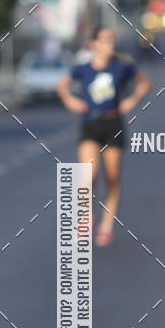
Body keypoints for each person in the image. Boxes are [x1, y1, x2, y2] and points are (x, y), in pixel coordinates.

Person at [57, 26, 150, 246]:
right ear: (94, 44)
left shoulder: (122, 66)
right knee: (89, 173)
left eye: (112, 39)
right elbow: (63, 87)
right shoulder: (83, 69)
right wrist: (71, 101)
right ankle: (86, 217)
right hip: (90, 123)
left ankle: (106, 226)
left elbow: (144, 82)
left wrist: (132, 100)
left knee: (112, 177)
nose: (110, 43)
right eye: (105, 39)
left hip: (113, 123)